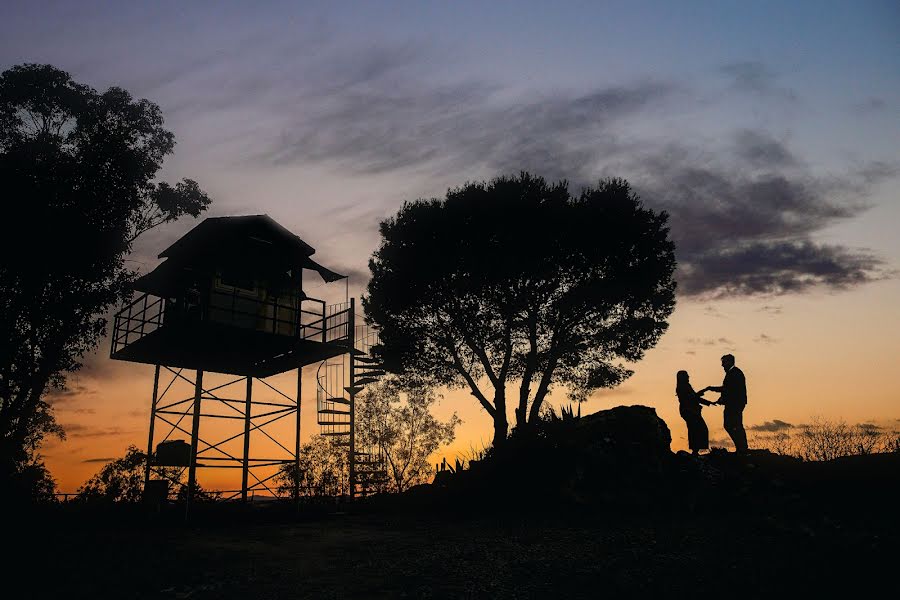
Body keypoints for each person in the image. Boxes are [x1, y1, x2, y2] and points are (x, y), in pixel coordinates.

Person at [706, 354, 748, 454]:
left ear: (729, 362)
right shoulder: (733, 373)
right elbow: (728, 390)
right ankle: (741, 447)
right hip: (734, 403)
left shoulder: (734, 373)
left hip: (735, 404)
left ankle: (742, 447)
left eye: (724, 363)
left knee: (732, 425)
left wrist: (711, 389)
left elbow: (728, 389)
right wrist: (721, 398)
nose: (722, 365)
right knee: (734, 424)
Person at [676, 370, 712, 455]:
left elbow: (694, 397)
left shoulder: (686, 386)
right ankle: (695, 450)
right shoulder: (682, 387)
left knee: (697, 429)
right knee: (696, 429)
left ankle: (695, 450)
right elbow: (690, 397)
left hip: (690, 411)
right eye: (687, 376)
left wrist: (708, 402)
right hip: (689, 411)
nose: (689, 377)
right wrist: (699, 394)